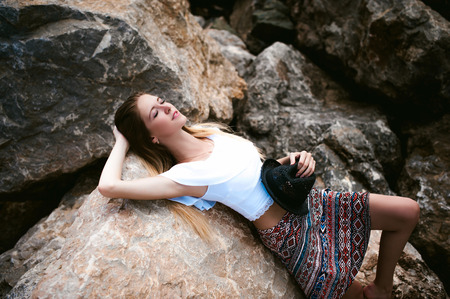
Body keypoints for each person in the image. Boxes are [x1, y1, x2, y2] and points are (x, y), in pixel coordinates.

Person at [98, 93, 420, 299]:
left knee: (407, 211)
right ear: (152, 138)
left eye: (162, 100)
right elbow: (109, 187)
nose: (167, 106)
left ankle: (383, 288)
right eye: (156, 113)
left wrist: (292, 161)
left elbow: (256, 172)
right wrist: (122, 142)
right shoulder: (184, 176)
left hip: (309, 204)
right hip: (290, 236)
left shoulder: (212, 134)